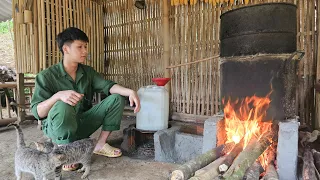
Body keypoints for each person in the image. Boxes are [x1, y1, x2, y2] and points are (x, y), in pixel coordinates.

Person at [31, 27, 140, 171]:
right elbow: (37, 112)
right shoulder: (46, 76)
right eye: (80, 47)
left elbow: (107, 86)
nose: (85, 51)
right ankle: (65, 150)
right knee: (63, 105)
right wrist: (58, 96)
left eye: (86, 46)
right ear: (66, 49)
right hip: (57, 129)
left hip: (82, 124)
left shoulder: (87, 72)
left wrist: (130, 91)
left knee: (116, 98)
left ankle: (100, 144)